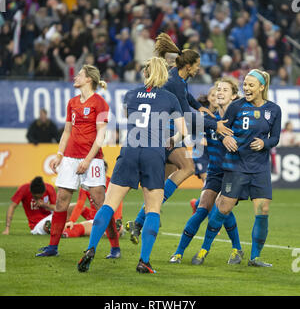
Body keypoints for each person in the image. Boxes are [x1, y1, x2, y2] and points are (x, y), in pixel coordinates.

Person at [77, 56, 188, 274]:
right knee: (153, 208)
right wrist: (171, 142)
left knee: (109, 204)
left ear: (145, 73)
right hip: (153, 153)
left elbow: (130, 117)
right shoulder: (170, 98)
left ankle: (90, 249)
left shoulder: (130, 95)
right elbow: (183, 131)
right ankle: (144, 261)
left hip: (129, 150)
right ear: (164, 75)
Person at [126, 32, 233, 244]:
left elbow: (187, 99)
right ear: (188, 66)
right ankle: (140, 223)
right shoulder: (175, 81)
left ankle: (138, 222)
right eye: (197, 65)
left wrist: (200, 106)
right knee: (185, 170)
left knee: (162, 184)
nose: (199, 68)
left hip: (166, 133)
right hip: (161, 134)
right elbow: (186, 115)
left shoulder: (178, 77)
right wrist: (215, 124)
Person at [193, 69, 282, 267]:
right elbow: (221, 128)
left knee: (263, 209)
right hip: (236, 165)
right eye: (245, 85)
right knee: (223, 207)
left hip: (259, 167)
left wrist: (265, 144)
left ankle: (255, 257)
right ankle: (203, 250)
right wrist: (226, 138)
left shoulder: (274, 110)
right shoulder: (236, 106)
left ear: (261, 87)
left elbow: (275, 137)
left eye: (251, 85)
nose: (247, 88)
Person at [35, 64, 118, 257]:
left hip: (93, 160)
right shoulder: (72, 102)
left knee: (100, 204)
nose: (75, 77)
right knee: (61, 202)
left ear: (89, 79)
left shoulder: (101, 104)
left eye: (79, 75)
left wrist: (88, 160)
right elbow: (67, 131)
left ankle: (115, 247)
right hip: (70, 159)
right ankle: (52, 247)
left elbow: (101, 136)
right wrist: (59, 155)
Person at [169, 76, 244, 265]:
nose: (219, 92)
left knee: (220, 208)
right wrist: (172, 140)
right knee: (202, 208)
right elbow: (185, 130)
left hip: (233, 172)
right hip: (215, 171)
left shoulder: (239, 120)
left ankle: (210, 250)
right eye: (218, 88)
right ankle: (178, 252)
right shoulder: (210, 120)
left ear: (234, 96)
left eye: (225, 89)